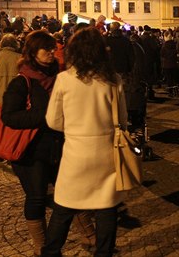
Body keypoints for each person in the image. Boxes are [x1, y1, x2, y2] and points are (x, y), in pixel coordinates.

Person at [43, 27, 127, 256]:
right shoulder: (113, 80)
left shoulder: (64, 80)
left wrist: (73, 129)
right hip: (105, 152)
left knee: (64, 208)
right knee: (107, 208)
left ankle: (50, 252)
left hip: (75, 153)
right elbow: (123, 119)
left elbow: (52, 120)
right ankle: (104, 253)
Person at [0, 30, 64, 255]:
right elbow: (9, 116)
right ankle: (42, 246)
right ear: (33, 52)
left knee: (70, 191)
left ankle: (90, 235)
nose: (51, 52)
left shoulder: (59, 76)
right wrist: (43, 115)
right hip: (31, 152)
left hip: (58, 146)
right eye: (46, 48)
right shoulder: (22, 81)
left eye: (52, 48)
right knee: (37, 197)